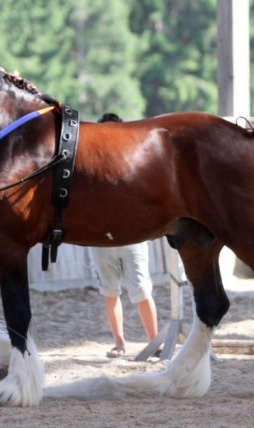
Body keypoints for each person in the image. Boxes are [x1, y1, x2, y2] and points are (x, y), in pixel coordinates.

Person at [90, 112, 160, 359]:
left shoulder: (134, 160)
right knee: (111, 293)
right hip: (102, 238)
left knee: (141, 291)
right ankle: (120, 343)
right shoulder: (93, 165)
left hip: (131, 238)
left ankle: (155, 342)